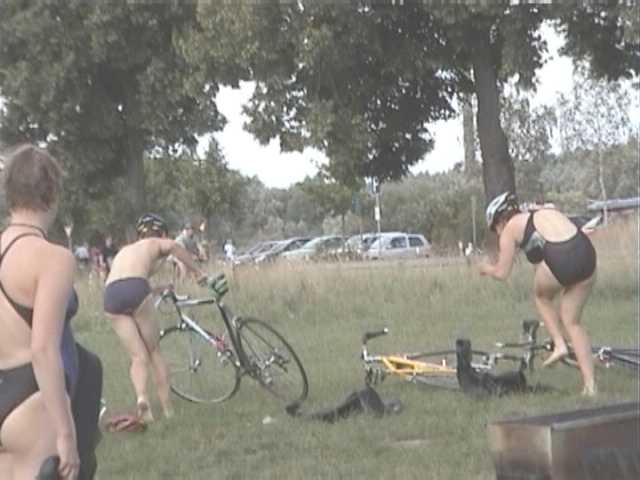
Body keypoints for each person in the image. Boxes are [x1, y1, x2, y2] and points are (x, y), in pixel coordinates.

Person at [0, 144, 80, 479]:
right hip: (30, 397)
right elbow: (43, 349)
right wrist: (66, 433)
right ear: (52, 193)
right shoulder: (53, 258)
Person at [478, 192, 597, 396]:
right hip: (586, 251)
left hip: (561, 255)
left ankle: (559, 344)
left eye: (495, 228)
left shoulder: (510, 228)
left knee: (541, 297)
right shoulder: (542, 212)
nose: (497, 233)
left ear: (500, 219)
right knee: (572, 322)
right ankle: (590, 385)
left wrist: (485, 268)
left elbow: (502, 273)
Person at [103, 213, 206, 422]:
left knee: (137, 356)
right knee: (154, 351)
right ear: (162, 233)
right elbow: (175, 247)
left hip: (110, 294)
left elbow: (126, 281)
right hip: (136, 288)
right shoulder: (155, 242)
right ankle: (168, 410)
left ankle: (142, 398)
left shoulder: (126, 250)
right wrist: (197, 272)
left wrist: (157, 289)